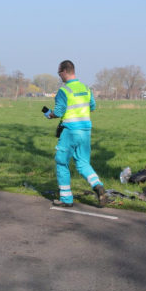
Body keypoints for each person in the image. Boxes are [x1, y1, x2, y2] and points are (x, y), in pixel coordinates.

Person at [44, 60, 107, 208]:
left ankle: (66, 199)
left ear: (65, 71)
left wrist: (48, 114)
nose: (59, 75)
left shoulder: (64, 91)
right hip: (85, 131)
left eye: (59, 72)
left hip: (70, 131)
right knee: (83, 163)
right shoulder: (86, 88)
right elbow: (92, 107)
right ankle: (98, 185)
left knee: (61, 161)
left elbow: (59, 112)